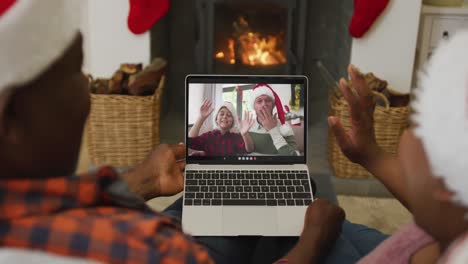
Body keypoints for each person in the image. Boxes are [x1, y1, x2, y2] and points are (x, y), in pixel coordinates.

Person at [0, 1, 347, 263]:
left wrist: (143, 180)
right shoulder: (152, 247)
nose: (89, 95)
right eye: (77, 72)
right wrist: (311, 244)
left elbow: (55, 203)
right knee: (314, 211)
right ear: (11, 115)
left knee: (247, 196)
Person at [328, 32, 468, 263]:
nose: (407, 134)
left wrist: (307, 246)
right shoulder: (451, 220)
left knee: (302, 233)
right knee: (339, 226)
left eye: (415, 123)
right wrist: (372, 155)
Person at [247, 84, 299, 156]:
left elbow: (295, 156)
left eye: (268, 100)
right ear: (254, 106)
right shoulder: (248, 126)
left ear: (273, 105)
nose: (264, 104)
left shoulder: (285, 126)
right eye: (259, 101)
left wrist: (273, 130)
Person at [188, 100, 255, 156]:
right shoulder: (208, 136)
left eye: (229, 115)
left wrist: (245, 134)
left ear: (233, 122)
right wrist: (201, 118)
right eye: (222, 114)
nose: (225, 116)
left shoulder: (235, 138)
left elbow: (249, 149)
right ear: (216, 119)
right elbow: (191, 142)